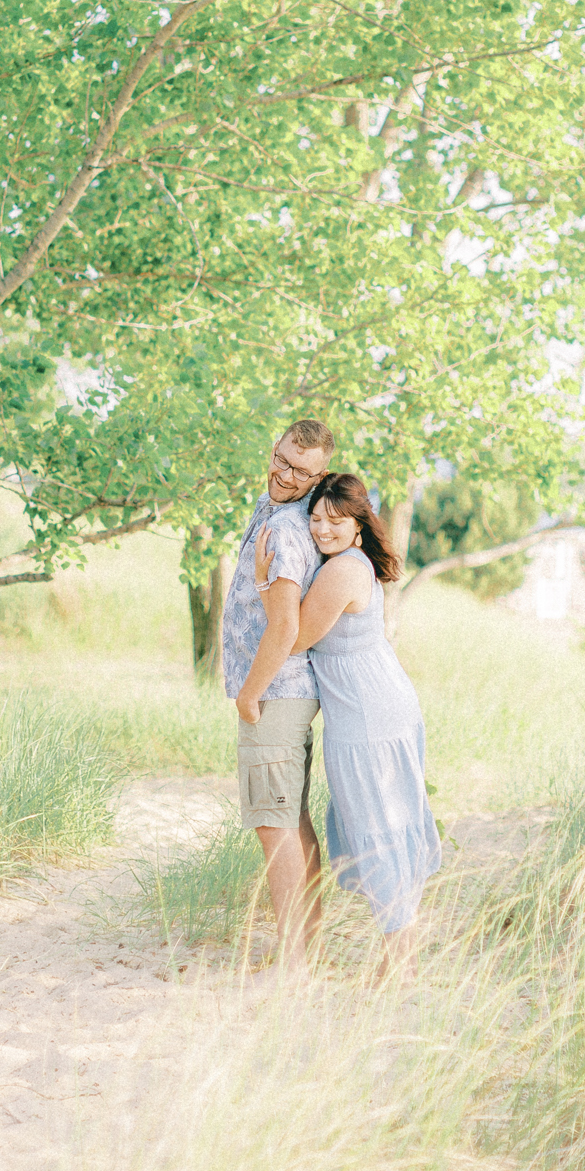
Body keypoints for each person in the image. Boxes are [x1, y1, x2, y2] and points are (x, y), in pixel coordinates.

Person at [253, 470, 440, 982]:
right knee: (384, 825)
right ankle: (401, 950)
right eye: (316, 518)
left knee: (377, 829)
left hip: (369, 717)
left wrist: (264, 581)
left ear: (359, 525)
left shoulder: (342, 572)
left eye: (336, 520)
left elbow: (293, 638)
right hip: (377, 707)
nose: (322, 529)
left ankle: (400, 957)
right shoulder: (348, 562)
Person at [224, 419, 334, 969]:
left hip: (276, 694)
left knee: (273, 825)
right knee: (291, 819)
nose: (286, 476)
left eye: (302, 473)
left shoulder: (288, 530)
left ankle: (294, 961)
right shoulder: (274, 511)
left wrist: (249, 695)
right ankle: (305, 949)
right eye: (282, 460)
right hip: (288, 693)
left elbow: (284, 627)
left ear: (318, 478)